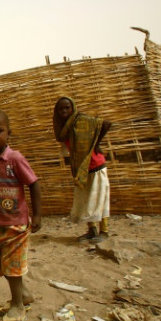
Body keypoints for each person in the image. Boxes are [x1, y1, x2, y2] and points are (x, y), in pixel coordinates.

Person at [0, 109, 42, 321]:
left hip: (16, 223)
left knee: (13, 266)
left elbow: (33, 183)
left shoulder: (15, 158)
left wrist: (38, 214)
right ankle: (23, 294)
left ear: (8, 133)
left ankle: (17, 306)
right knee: (0, 264)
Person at [52, 97, 112, 243]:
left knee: (100, 199)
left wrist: (95, 143)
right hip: (80, 168)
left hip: (96, 165)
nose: (64, 111)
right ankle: (91, 230)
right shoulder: (65, 127)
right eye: (61, 109)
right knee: (85, 199)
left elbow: (106, 123)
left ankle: (104, 231)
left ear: (73, 107)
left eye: (67, 107)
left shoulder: (82, 119)